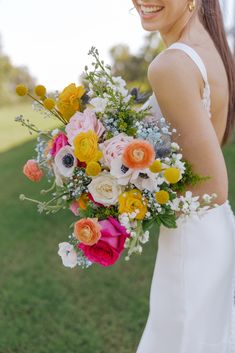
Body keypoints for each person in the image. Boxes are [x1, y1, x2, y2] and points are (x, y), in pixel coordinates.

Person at [132, 0, 235, 352]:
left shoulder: (171, 64)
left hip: (193, 243)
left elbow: (214, 187)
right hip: (211, 233)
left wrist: (127, 200)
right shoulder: (209, 47)